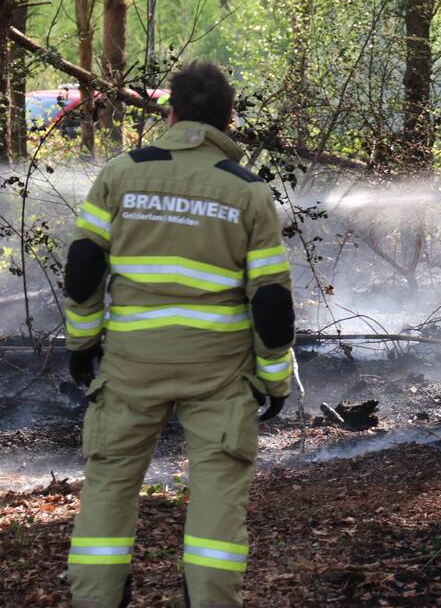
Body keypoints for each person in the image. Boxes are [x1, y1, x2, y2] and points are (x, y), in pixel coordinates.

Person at [64, 61, 295, 607]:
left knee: (109, 486)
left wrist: (82, 344)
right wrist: (274, 380)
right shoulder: (247, 191)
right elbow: (270, 301)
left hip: (131, 366)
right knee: (218, 497)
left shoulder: (121, 174)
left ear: (171, 114)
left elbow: (83, 269)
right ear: (229, 120)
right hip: (219, 375)